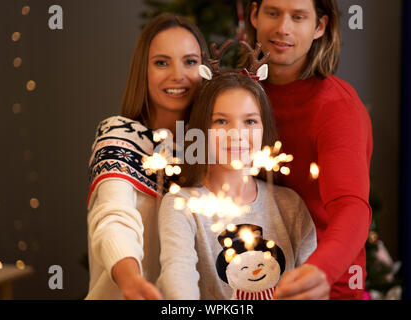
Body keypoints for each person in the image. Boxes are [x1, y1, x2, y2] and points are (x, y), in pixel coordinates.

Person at [157, 52, 317, 300]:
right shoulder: (182, 207)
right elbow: (178, 281)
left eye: (250, 122)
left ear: (264, 129)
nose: (237, 134)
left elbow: (311, 289)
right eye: (221, 121)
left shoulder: (290, 205)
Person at [245, 0, 373, 299]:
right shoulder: (237, 92)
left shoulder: (336, 106)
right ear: (254, 14)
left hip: (321, 285)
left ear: (319, 27)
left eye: (298, 17)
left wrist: (320, 270)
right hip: (243, 278)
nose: (282, 28)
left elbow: (351, 207)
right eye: (272, 13)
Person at [85, 13, 208, 300]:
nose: (178, 74)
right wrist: (130, 280)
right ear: (144, 70)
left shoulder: (213, 146)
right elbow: (114, 216)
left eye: (190, 61)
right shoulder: (118, 135)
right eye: (161, 62)